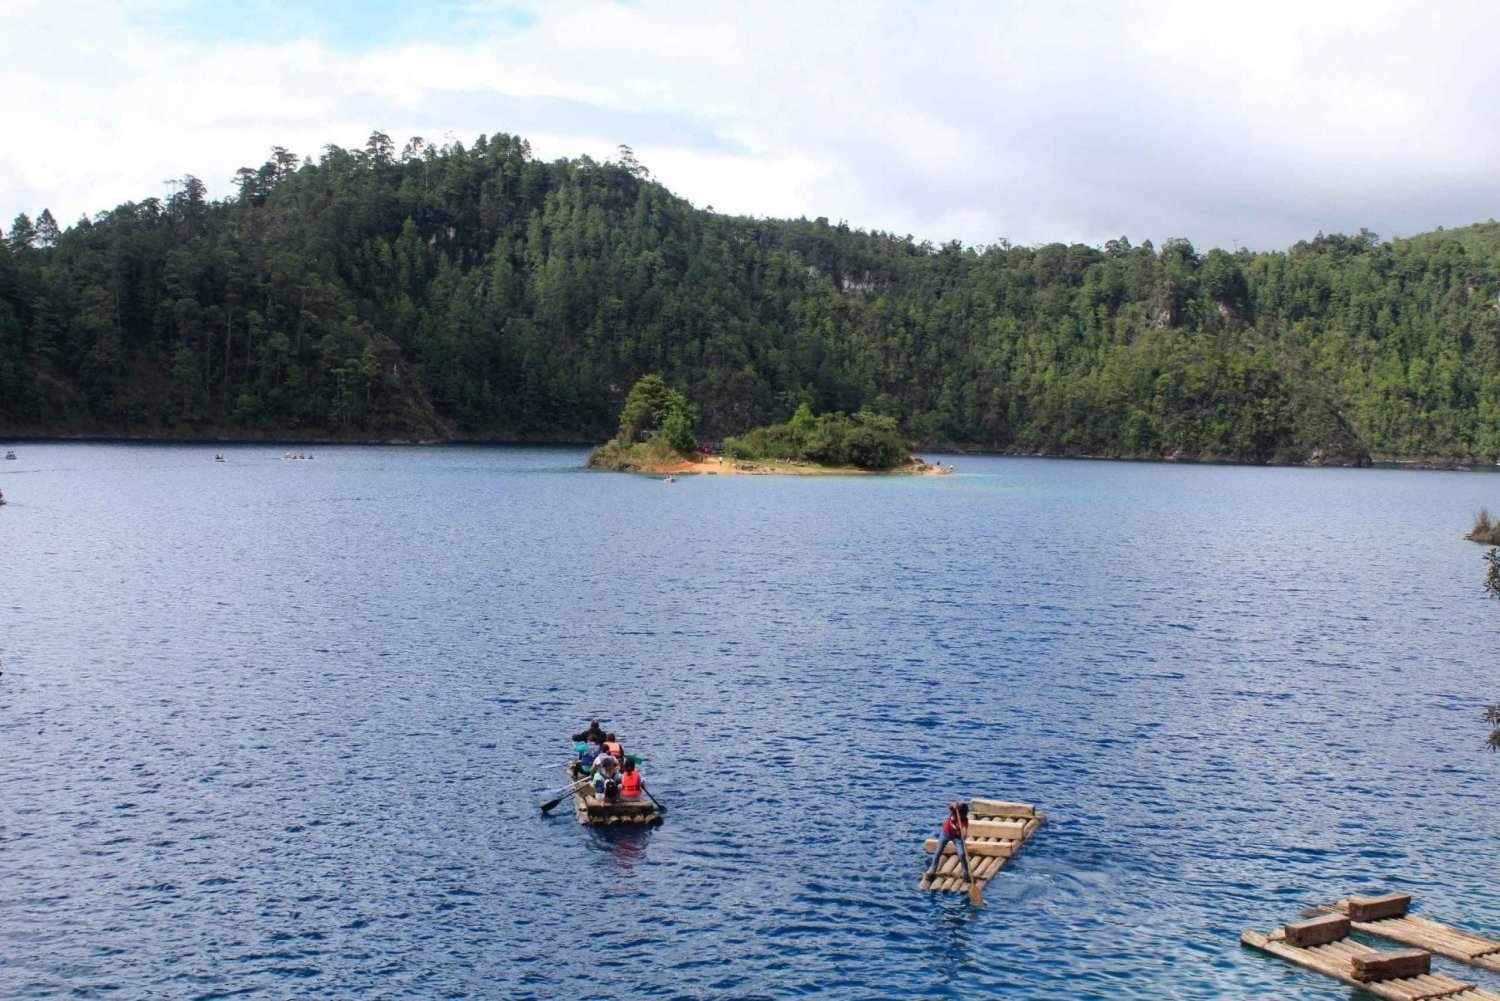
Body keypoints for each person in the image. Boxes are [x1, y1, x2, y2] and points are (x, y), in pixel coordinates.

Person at [926, 802, 972, 883]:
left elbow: (964, 830)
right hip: (945, 833)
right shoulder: (955, 811)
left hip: (957, 837)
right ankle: (932, 871)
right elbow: (950, 806)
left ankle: (966, 874)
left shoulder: (965, 820)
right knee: (938, 852)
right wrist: (954, 805)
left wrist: (964, 835)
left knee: (961, 854)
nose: (961, 816)